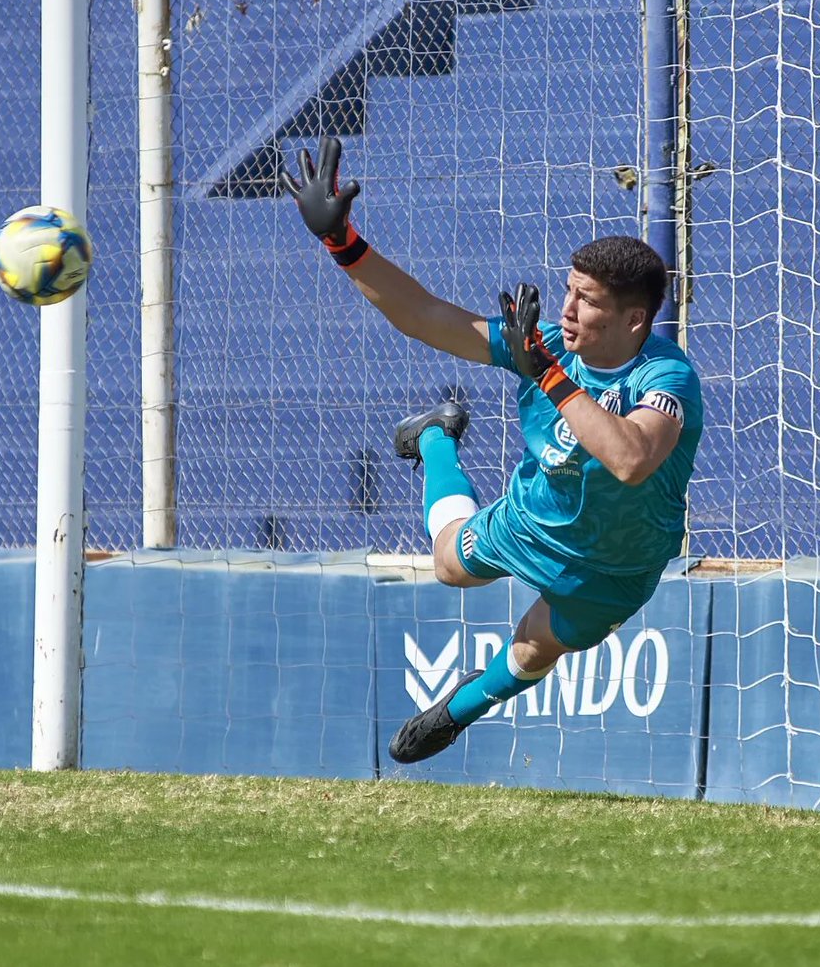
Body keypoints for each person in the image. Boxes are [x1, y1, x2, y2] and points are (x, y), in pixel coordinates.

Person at [282, 137, 703, 765]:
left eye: (586, 302)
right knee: (450, 566)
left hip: (619, 564)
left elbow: (631, 460)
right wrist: (343, 245)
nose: (565, 310)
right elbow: (425, 314)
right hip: (533, 517)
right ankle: (435, 436)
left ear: (634, 321)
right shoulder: (548, 348)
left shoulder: (665, 378)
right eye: (568, 290)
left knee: (535, 647)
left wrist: (548, 377)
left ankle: (458, 710)